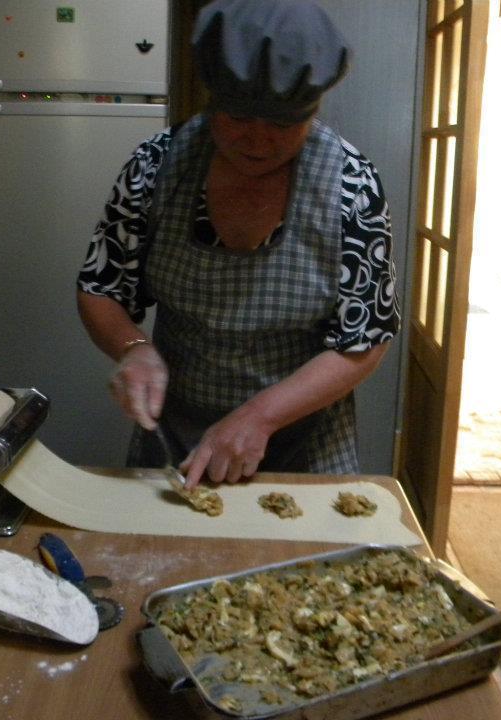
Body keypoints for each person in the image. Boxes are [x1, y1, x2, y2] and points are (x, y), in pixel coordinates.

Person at [76, 0, 400, 489]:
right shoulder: (156, 168)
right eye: (239, 117)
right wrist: (134, 348)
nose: (259, 141)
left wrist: (261, 416)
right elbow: (101, 288)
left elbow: (365, 341)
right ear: (212, 99)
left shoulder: (351, 185)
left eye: (284, 123)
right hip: (175, 443)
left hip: (304, 443)